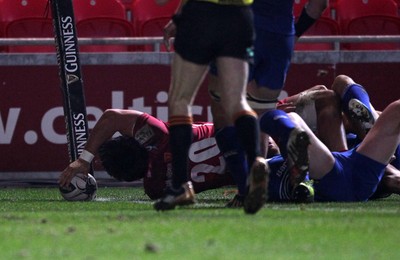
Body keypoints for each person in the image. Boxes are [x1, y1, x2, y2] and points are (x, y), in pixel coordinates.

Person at [154, 0, 268, 213]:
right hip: (239, 16)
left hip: (201, 14)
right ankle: (256, 161)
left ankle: (180, 185)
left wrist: (179, 16)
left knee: (180, 99)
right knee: (237, 100)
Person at [58, 108, 312, 204]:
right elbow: (112, 117)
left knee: (304, 188)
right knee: (313, 104)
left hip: (263, 172)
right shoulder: (158, 137)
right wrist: (84, 159)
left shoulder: (155, 188)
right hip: (259, 132)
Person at [259, 99, 400, 203]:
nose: (270, 141)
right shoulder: (254, 173)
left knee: (396, 109)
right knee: (288, 118)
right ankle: (302, 179)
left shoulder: (276, 157)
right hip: (329, 177)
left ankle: (301, 176)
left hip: (351, 163)